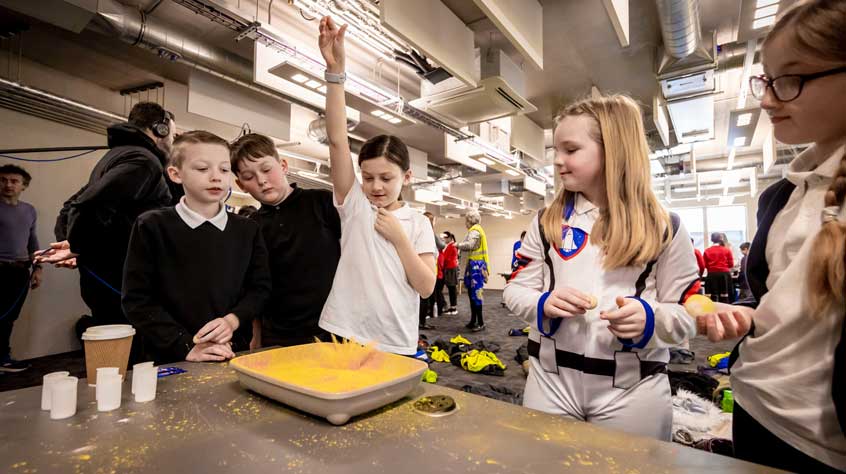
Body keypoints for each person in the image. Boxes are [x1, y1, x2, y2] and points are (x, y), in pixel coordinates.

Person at [697, 1, 846, 471]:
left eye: (791, 80)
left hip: (820, 439)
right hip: (755, 401)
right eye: (767, 80)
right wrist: (746, 313)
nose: (767, 99)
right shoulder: (780, 196)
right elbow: (782, 302)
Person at [504, 94, 700, 441]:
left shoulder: (664, 227)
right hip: (549, 381)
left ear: (613, 150)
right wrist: (541, 304)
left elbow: (688, 314)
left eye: (571, 150)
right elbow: (515, 289)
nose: (558, 161)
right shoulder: (545, 222)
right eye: (556, 151)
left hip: (632, 390)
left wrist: (649, 319)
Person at [316, 16, 436, 355]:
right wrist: (336, 73)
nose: (375, 186)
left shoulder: (418, 222)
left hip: (396, 338)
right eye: (368, 177)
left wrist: (399, 238)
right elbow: (338, 141)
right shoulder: (355, 203)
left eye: (386, 178)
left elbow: (426, 288)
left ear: (407, 178)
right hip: (345, 332)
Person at [122, 131, 271, 364]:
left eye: (223, 170)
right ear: (175, 174)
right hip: (170, 358)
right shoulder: (152, 226)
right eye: (202, 169)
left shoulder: (248, 230)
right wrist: (185, 345)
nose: (216, 177)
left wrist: (233, 320)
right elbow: (138, 301)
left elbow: (259, 289)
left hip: (233, 352)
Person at [36, 103, 176, 340]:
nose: (173, 140)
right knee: (127, 355)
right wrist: (77, 247)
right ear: (159, 130)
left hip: (106, 278)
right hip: (121, 279)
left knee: (113, 352)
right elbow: (89, 204)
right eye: (172, 134)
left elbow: (72, 205)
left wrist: (74, 245)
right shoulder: (143, 161)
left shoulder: (118, 156)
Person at [230, 133, 340, 348]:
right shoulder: (251, 227)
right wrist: (257, 337)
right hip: (279, 336)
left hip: (333, 330)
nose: (261, 180)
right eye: (249, 176)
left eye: (266, 169)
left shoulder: (322, 202)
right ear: (240, 184)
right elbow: (255, 287)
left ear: (283, 165)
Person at [0, 165, 43, 372]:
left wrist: (38, 268)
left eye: (14, 181)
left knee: (9, 317)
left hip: (19, 272)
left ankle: (3, 358)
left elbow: (32, 241)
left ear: (23, 186)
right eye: (3, 180)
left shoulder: (29, 210)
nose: (8, 184)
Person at [457, 209, 490, 331]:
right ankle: (473, 320)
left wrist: (457, 245)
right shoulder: (476, 230)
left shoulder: (475, 231)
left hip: (476, 267)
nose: (465, 223)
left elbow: (470, 245)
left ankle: (480, 323)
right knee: (472, 295)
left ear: (469, 220)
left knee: (476, 295)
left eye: (466, 220)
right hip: (473, 267)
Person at [419, 211, 445, 330]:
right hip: (424, 269)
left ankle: (422, 321)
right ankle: (422, 322)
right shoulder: (424, 232)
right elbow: (441, 245)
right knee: (424, 297)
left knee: (427, 297)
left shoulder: (426, 233)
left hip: (429, 269)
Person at [703, 232, 734, 303]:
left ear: (711, 240)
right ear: (721, 239)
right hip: (724, 275)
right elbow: (731, 264)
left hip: (712, 274)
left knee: (713, 296)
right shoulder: (727, 250)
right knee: (725, 296)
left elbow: (705, 265)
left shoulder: (707, 251)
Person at [435, 231, 459, 316]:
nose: (444, 239)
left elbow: (446, 258)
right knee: (449, 289)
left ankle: (453, 308)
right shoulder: (449, 246)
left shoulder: (452, 246)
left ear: (449, 238)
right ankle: (450, 306)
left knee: (452, 289)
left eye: (445, 238)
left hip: (450, 269)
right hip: (448, 269)